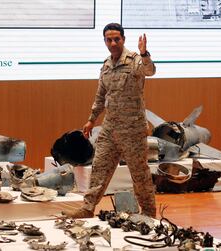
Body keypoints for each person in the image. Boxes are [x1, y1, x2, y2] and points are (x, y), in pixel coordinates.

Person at [63, 23, 157, 218]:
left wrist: (145, 53)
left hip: (132, 130)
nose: (113, 43)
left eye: (117, 39)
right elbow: (100, 95)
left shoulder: (135, 61)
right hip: (109, 128)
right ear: (105, 41)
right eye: (109, 39)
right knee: (99, 169)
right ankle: (88, 208)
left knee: (139, 174)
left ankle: (148, 213)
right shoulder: (106, 65)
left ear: (123, 39)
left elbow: (150, 71)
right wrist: (91, 120)